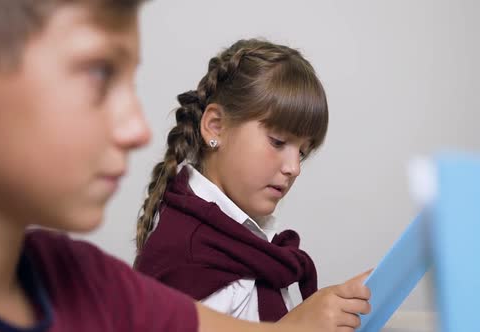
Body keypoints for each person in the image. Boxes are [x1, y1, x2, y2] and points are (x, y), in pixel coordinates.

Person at [0, 1, 362, 331]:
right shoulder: (169, 262)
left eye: (303, 152)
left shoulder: (93, 280)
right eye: (99, 73)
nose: (139, 130)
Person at [134, 38, 371, 329]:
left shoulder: (239, 242)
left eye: (302, 153)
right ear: (216, 126)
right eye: (278, 141)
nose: (294, 168)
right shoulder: (186, 253)